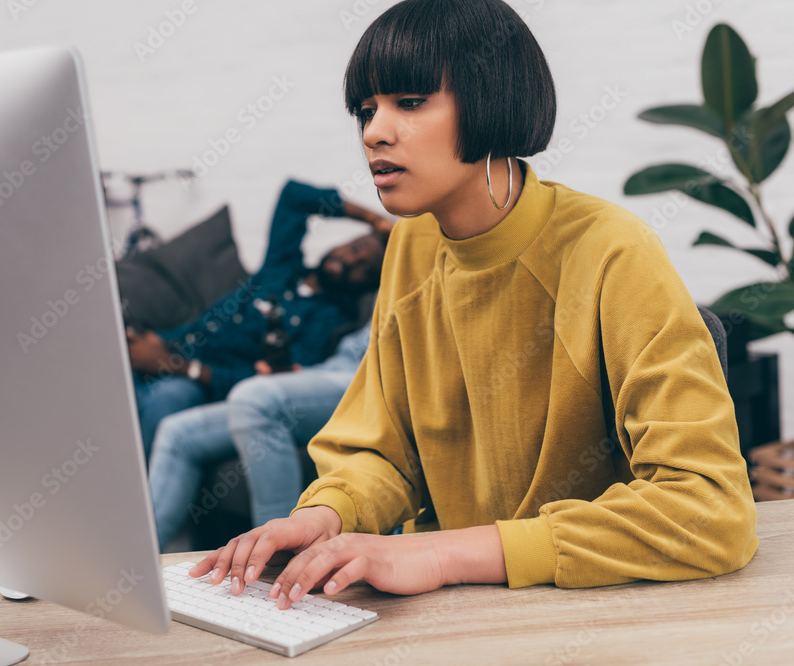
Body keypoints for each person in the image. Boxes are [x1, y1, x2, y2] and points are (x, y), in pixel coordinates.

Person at [189, 0, 758, 607]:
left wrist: (441, 552)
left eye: (409, 102)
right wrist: (329, 512)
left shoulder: (613, 252)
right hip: (444, 612)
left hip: (587, 611)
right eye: (366, 110)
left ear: (492, 99)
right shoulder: (411, 246)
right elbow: (385, 451)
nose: (374, 132)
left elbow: (709, 508)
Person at [127, 180, 392, 456]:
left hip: (194, 383)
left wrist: (176, 366)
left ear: (370, 286)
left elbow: (274, 383)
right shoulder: (282, 267)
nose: (351, 261)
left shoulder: (331, 321)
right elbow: (294, 197)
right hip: (163, 347)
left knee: (167, 398)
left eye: (366, 269)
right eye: (356, 248)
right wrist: (373, 218)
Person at [149, 320, 372, 550]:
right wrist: (300, 375)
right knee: (178, 431)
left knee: (253, 399)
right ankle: (134, 564)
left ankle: (277, 556)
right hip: (333, 370)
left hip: (371, 379)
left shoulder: (334, 302)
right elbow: (341, 362)